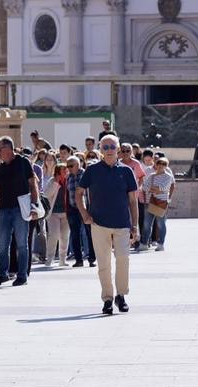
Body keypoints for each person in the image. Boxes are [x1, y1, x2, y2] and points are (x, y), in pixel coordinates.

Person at [75, 135, 138, 315]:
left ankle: (121, 295)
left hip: (122, 224)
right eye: (105, 147)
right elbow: (78, 193)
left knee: (123, 260)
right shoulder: (92, 170)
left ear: (118, 149)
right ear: (101, 150)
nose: (109, 150)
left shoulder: (126, 171)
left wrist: (135, 226)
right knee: (104, 264)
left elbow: (133, 201)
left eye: (112, 146)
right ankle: (108, 298)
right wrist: (84, 214)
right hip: (99, 223)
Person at [0, 137, 37, 288]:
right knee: (2, 245)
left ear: (8, 148)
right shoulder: (0, 168)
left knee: (22, 244)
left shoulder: (23, 162)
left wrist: (34, 205)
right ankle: (3, 273)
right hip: (3, 209)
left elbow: (33, 183)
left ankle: (22, 275)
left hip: (20, 208)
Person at [142, 156, 174, 251]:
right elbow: (144, 187)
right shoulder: (151, 176)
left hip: (161, 203)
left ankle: (161, 244)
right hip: (150, 202)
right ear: (156, 165)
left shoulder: (168, 176)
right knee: (147, 224)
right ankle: (144, 243)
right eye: (159, 164)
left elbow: (165, 188)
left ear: (166, 166)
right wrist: (157, 189)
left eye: (163, 164)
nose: (160, 166)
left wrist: (156, 189)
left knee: (161, 224)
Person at [119, 143, 146, 250]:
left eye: (128, 151)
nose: (125, 153)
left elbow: (141, 177)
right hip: (121, 196)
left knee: (135, 217)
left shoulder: (136, 163)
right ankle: (126, 240)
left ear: (131, 152)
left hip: (133, 196)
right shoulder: (118, 164)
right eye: (123, 151)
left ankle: (137, 239)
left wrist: (137, 188)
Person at [43, 163, 70, 267]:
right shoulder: (52, 181)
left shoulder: (68, 181)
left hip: (66, 213)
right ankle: (49, 258)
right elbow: (47, 194)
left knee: (65, 236)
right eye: (63, 170)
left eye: (65, 170)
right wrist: (56, 183)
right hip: (53, 212)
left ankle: (63, 259)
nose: (65, 172)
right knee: (53, 235)